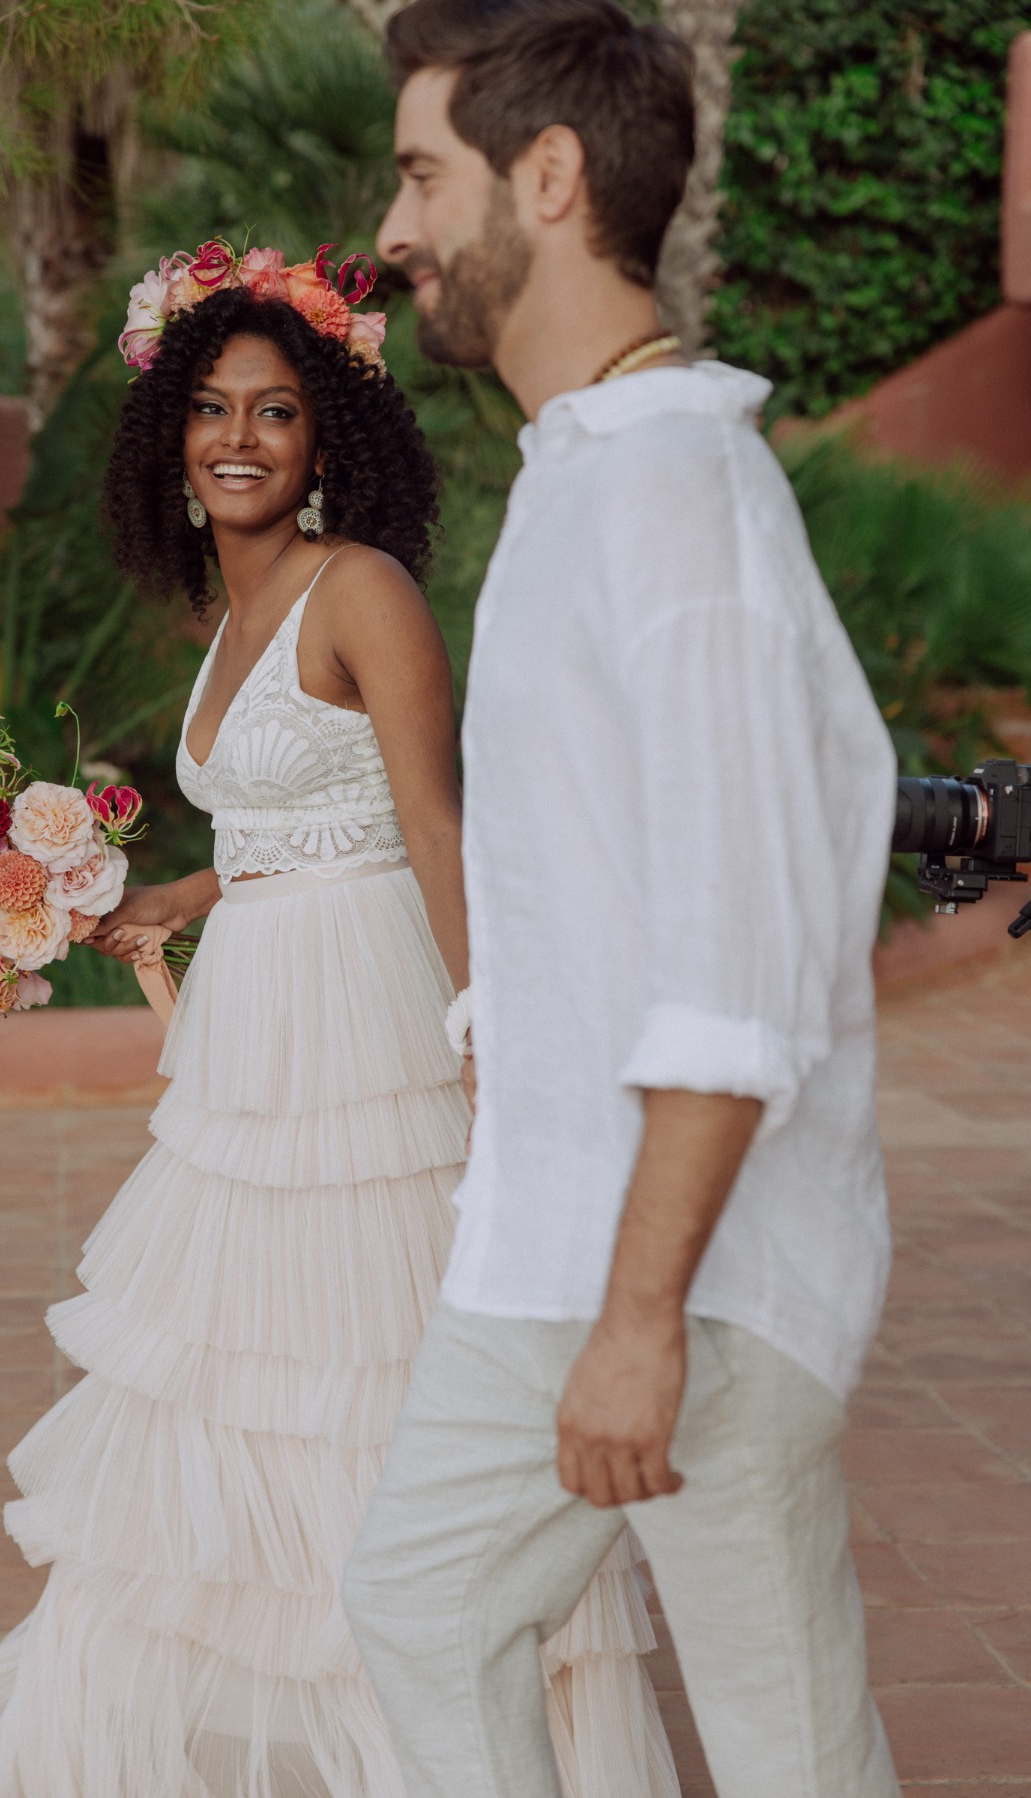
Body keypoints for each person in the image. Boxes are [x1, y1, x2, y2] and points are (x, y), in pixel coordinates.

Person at [0, 242, 680, 1797]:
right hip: (255, 1017)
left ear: (329, 436)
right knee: (240, 1378)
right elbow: (292, 809)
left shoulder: (362, 587)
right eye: (210, 410)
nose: (240, 438)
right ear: (171, 442)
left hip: (368, 1021)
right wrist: (184, 898)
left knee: (373, 1375)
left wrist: (483, 1033)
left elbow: (434, 825)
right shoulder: (230, 613)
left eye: (274, 410)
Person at [342, 5, 904, 1797]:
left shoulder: (675, 497)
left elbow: (735, 964)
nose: (396, 228)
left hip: (685, 1273)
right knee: (442, 1612)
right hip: (579, 1243)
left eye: (425, 171)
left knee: (763, 1730)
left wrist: (643, 1322)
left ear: (553, 176)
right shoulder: (594, 476)